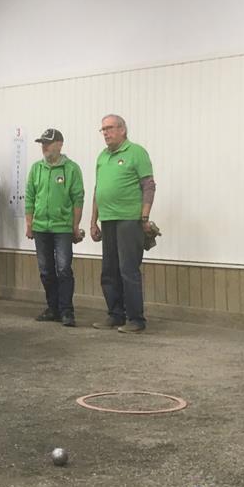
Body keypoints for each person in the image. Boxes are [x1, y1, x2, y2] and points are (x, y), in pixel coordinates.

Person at [90, 114, 156, 333]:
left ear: (122, 130)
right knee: (109, 270)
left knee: (128, 269)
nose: (106, 133)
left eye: (109, 128)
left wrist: (144, 217)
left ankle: (136, 319)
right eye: (103, 129)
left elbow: (149, 186)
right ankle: (115, 314)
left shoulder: (136, 152)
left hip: (129, 219)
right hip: (107, 219)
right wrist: (93, 221)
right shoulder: (102, 156)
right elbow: (98, 190)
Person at [25, 128, 84, 327]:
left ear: (59, 144)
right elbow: (30, 197)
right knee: (45, 270)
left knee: (64, 269)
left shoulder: (71, 169)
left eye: (48, 143)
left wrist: (75, 226)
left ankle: (67, 311)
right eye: (42, 143)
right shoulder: (36, 168)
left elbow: (78, 198)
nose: (44, 147)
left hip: (63, 228)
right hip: (40, 227)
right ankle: (53, 308)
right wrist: (29, 224)